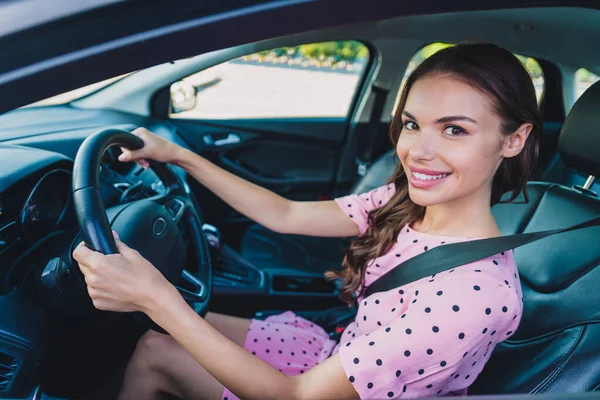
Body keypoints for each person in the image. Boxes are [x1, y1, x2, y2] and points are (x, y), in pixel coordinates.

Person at [73, 42, 541, 400]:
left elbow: (295, 396)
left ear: (514, 140)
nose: (417, 150)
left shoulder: (473, 296)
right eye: (413, 123)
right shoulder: (408, 202)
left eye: (454, 129)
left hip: (320, 388)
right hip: (336, 352)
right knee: (175, 319)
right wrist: (179, 156)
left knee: (157, 349)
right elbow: (285, 213)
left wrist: (153, 296)